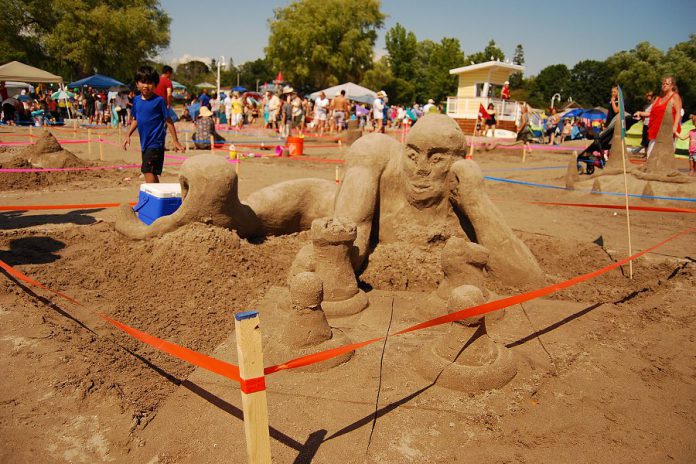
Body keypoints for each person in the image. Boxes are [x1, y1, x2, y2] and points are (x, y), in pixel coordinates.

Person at [122, 65, 184, 183]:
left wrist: (175, 141)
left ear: (155, 85)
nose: (146, 85)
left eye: (150, 82)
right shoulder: (136, 100)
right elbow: (136, 119)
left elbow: (169, 121)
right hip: (144, 144)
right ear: (137, 84)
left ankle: (155, 199)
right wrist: (128, 135)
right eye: (143, 82)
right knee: (151, 172)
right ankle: (158, 198)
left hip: (155, 144)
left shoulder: (159, 101)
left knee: (147, 171)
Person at [633, 75, 683, 158]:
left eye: (666, 84)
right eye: (663, 83)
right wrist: (640, 113)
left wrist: (674, 127)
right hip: (655, 130)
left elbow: (678, 112)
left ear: (672, 86)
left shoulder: (675, 96)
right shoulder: (658, 98)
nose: (664, 85)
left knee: (665, 155)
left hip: (668, 130)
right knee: (650, 155)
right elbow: (652, 113)